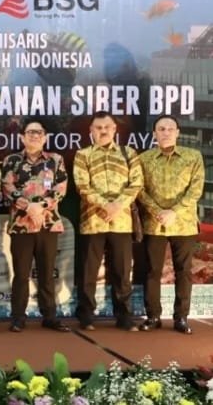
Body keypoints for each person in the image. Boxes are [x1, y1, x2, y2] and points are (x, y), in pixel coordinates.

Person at [73, 111, 143, 331]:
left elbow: (136, 183)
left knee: (122, 272)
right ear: (91, 131)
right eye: (98, 127)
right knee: (88, 272)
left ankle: (124, 316)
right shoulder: (83, 155)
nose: (103, 131)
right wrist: (106, 205)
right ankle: (86, 316)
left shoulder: (128, 153)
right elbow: (82, 186)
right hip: (92, 221)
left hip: (121, 221)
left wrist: (117, 205)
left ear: (114, 129)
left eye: (107, 127)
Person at [1, 119, 71, 333]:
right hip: (21, 225)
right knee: (21, 274)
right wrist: (28, 207)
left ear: (45, 137)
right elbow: (7, 187)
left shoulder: (55, 160)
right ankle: (18, 317)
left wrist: (41, 206)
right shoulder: (12, 160)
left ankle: (49, 316)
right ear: (22, 137)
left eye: (38, 132)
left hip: (47, 224)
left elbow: (61, 187)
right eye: (30, 132)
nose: (34, 136)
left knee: (47, 272)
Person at [137, 115, 204, 334]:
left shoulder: (193, 156)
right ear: (154, 133)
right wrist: (158, 211)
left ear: (177, 132)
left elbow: (195, 190)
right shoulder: (144, 159)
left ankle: (181, 317)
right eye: (161, 129)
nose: (166, 132)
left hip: (183, 223)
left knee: (183, 270)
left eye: (170, 128)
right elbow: (139, 189)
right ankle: (153, 316)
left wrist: (173, 211)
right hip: (154, 223)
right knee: (152, 271)